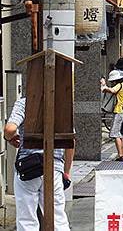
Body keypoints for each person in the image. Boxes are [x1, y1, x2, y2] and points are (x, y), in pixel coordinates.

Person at [4, 98, 73, 230]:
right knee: (58, 218)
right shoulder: (61, 104)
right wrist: (67, 171)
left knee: (26, 219)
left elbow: (10, 129)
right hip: (54, 167)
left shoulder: (25, 102)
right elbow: (71, 141)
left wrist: (8, 138)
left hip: (29, 166)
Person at [101, 70, 123, 161]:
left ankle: (120, 155)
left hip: (119, 111)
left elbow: (112, 90)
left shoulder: (120, 85)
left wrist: (104, 86)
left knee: (116, 134)